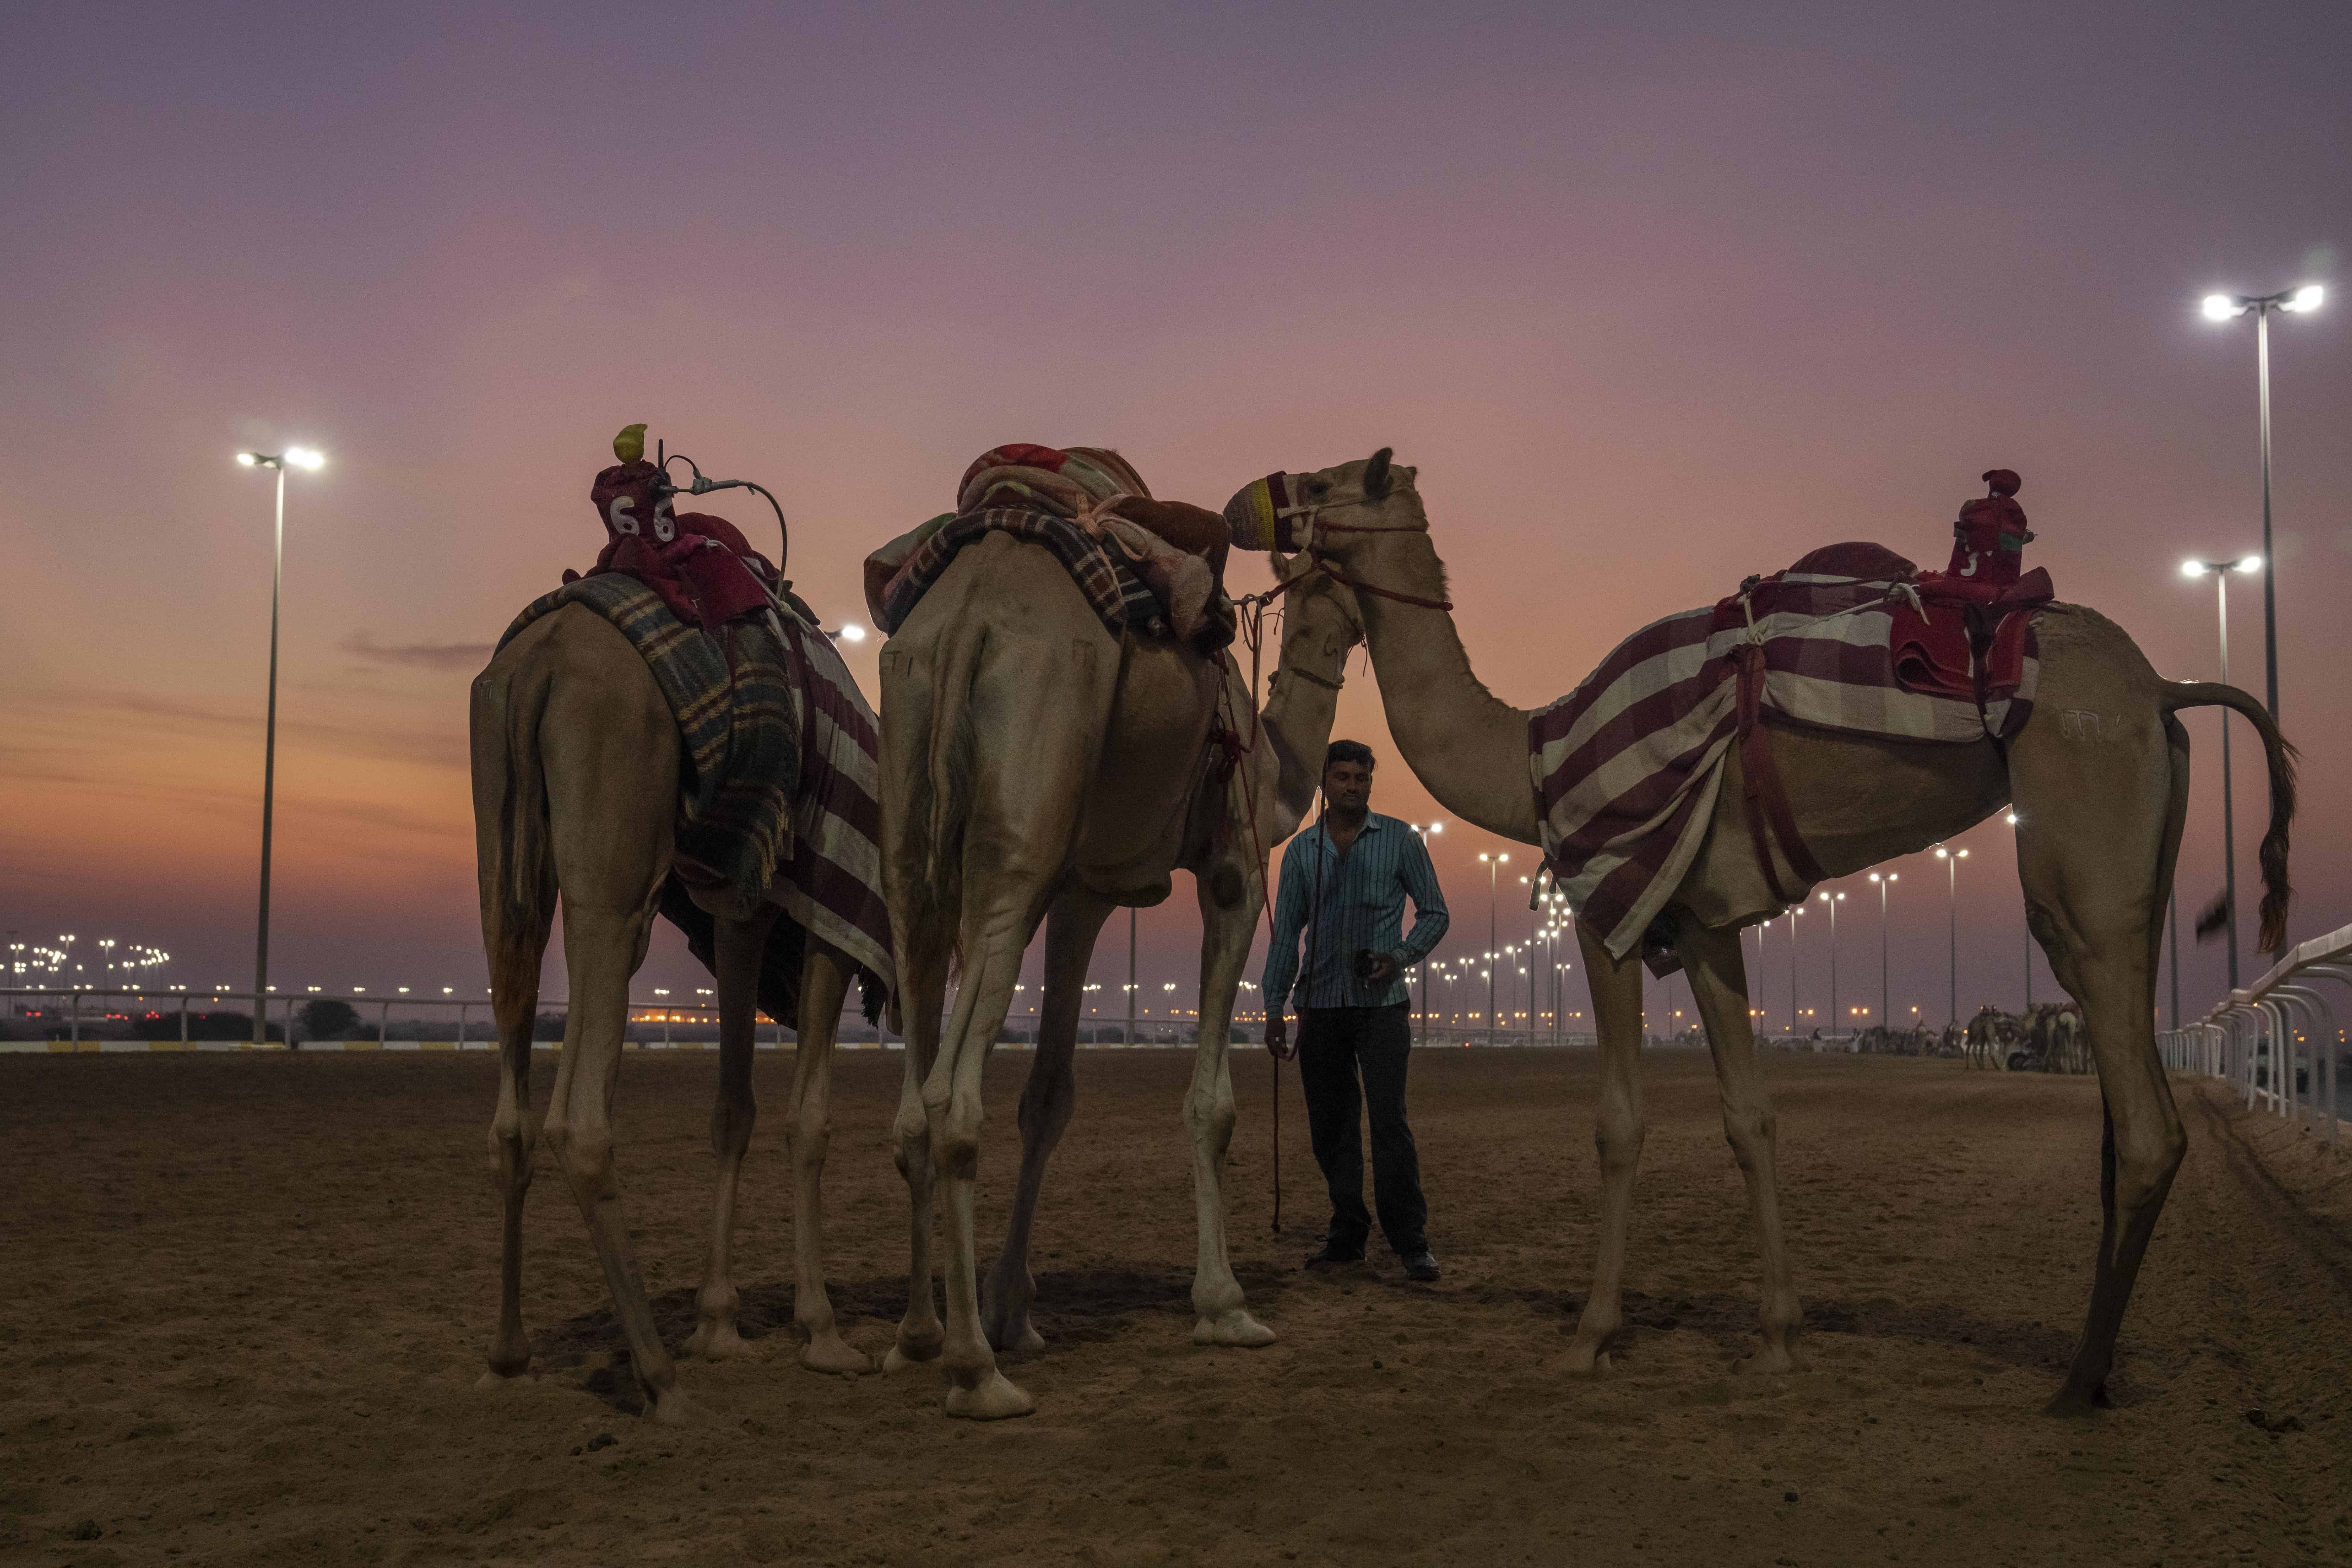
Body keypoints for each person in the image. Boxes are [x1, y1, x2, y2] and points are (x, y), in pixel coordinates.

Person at [1262, 741, 1449, 1280]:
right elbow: (1285, 936)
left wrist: (1401, 956)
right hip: (1318, 1005)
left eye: (1360, 777)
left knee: (1390, 1122)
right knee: (1332, 1126)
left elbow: (1435, 912)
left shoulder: (1400, 840)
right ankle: (1347, 1232)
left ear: (1371, 781)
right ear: (1324, 782)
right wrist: (1274, 1006)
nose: (1351, 785)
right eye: (1341, 776)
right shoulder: (1302, 851)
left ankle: (1409, 1239)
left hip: (1382, 1006)